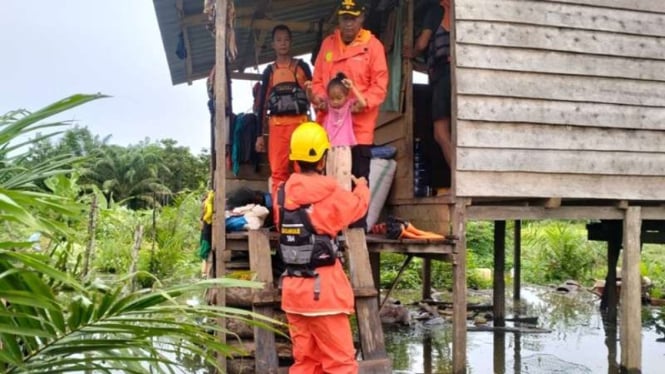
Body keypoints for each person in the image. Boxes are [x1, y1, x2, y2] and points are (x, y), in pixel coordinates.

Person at [273, 122, 369, 373]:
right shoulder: (332, 196)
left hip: (293, 293)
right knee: (340, 365)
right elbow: (357, 208)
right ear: (322, 159)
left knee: (305, 363)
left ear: (295, 159)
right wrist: (362, 187)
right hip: (325, 293)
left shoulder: (281, 195)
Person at [310, 0, 389, 227]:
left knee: (357, 181)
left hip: (359, 131)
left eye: (353, 18)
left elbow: (379, 85)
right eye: (345, 18)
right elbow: (317, 82)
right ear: (339, 19)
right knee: (328, 182)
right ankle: (329, 228)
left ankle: (356, 232)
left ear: (361, 18)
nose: (348, 24)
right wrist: (319, 99)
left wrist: (364, 104)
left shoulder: (373, 46)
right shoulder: (328, 44)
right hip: (330, 132)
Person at [255, 24, 313, 199]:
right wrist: (259, 135)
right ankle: (279, 218)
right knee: (278, 173)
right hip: (277, 128)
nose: (283, 43)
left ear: (291, 42)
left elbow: (315, 95)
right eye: (279, 40)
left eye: (286, 39)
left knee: (302, 170)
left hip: (301, 127)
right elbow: (261, 105)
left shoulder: (302, 67)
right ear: (273, 44)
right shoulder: (269, 72)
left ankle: (302, 214)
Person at [403, 0, 453, 174]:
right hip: (461, 75)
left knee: (440, 133)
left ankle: (459, 178)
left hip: (444, 77)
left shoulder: (435, 11)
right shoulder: (458, 10)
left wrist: (413, 52)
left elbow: (423, 43)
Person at [305, 73, 367, 190]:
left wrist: (352, 87)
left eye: (339, 98)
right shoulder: (328, 106)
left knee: (343, 180)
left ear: (346, 96)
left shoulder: (349, 106)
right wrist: (308, 90)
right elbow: (313, 100)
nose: (336, 102)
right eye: (332, 98)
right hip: (329, 147)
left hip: (344, 148)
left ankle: (342, 204)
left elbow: (363, 103)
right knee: (330, 179)